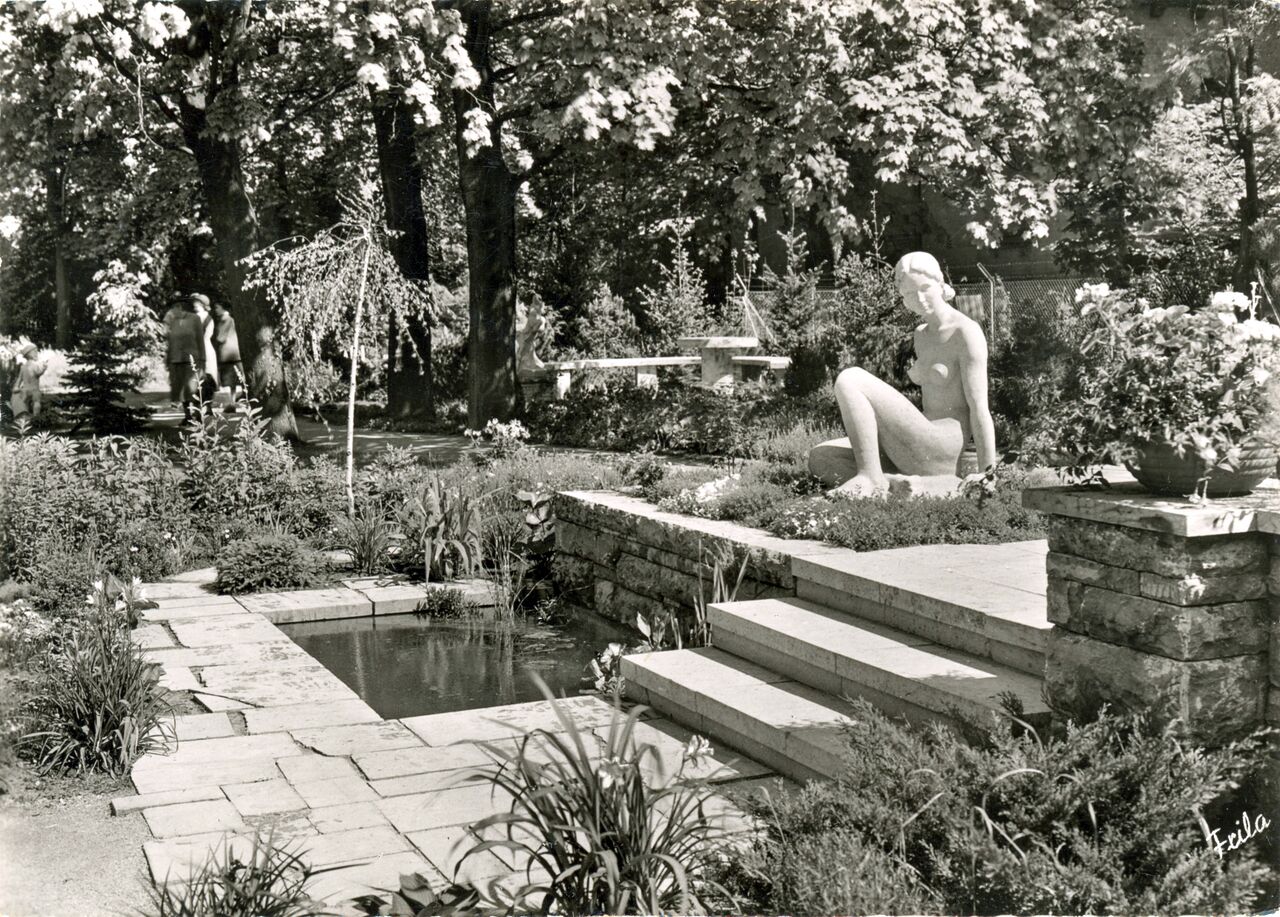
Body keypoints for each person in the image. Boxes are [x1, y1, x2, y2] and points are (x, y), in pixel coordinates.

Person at [819, 251, 997, 497]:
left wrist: (987, 473)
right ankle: (906, 484)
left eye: (925, 288)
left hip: (943, 444)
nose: (920, 299)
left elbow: (979, 408)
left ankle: (871, 479)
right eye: (910, 294)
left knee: (850, 379)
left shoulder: (965, 332)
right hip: (920, 441)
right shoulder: (921, 335)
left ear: (940, 284)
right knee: (821, 456)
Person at [165, 295, 206, 422]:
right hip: (176, 359)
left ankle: (198, 415)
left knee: (193, 388)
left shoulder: (195, 319)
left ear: (179, 307)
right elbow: (169, 341)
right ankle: (187, 416)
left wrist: (203, 359)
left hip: (192, 359)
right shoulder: (173, 321)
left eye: (173, 309)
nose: (171, 312)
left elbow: (200, 339)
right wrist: (168, 359)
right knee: (180, 389)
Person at [210, 301, 244, 409]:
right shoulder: (225, 320)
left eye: (217, 307)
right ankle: (231, 402)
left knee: (229, 380)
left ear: (223, 308)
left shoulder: (227, 320)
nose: (215, 310)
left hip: (228, 354)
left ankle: (231, 403)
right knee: (232, 381)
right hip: (231, 354)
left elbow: (220, 337)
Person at [190, 294, 219, 413]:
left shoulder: (197, 318)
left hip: (200, 349)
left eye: (197, 303)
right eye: (195, 302)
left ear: (203, 305)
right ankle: (206, 406)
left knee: (201, 378)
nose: (195, 304)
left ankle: (202, 407)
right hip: (207, 349)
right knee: (206, 377)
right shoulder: (209, 318)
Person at [10, 342, 47, 422]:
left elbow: (19, 379)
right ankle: (36, 419)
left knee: (25, 404)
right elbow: (38, 372)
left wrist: (16, 387)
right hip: (34, 389)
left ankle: (25, 420)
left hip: (25, 390)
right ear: (30, 354)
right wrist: (44, 367)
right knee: (36, 402)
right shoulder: (35, 365)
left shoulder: (23, 367)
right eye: (35, 352)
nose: (37, 353)